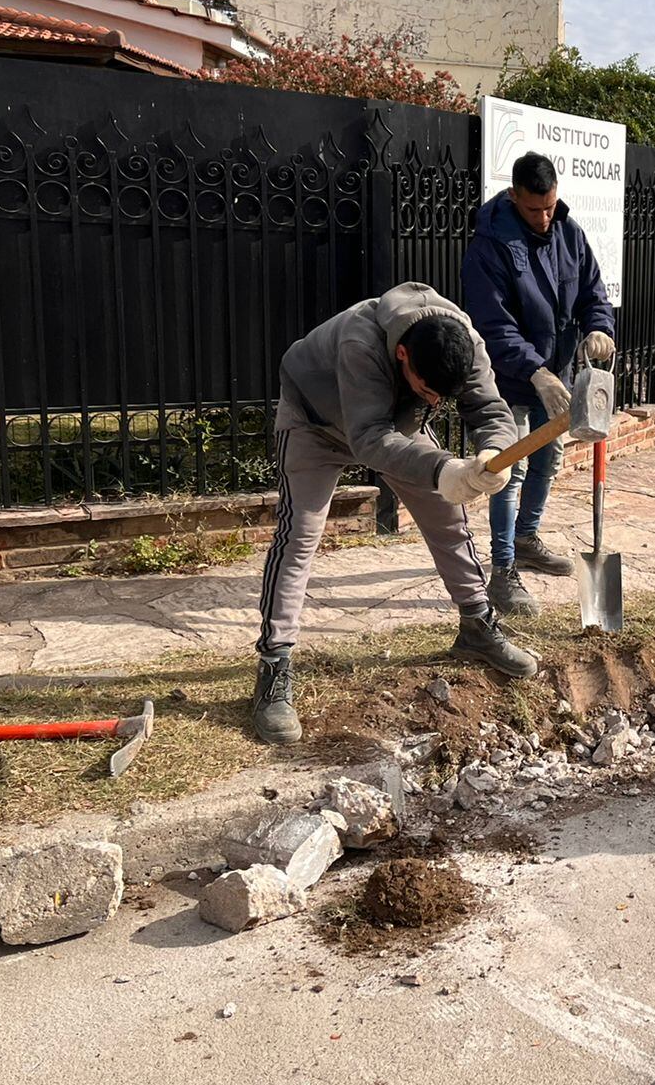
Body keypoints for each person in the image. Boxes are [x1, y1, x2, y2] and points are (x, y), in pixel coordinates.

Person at [251, 282, 537, 745]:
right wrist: (443, 466)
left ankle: (478, 627)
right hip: (315, 423)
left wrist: (492, 452)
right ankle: (273, 667)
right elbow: (367, 439)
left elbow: (489, 410)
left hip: (391, 428)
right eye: (427, 391)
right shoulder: (360, 341)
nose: (435, 404)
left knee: (448, 515)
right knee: (299, 536)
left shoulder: (464, 342)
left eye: (443, 396)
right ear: (403, 355)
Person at [463, 152, 617, 616]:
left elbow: (593, 289)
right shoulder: (488, 245)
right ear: (514, 197)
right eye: (535, 210)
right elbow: (493, 325)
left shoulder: (568, 231)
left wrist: (600, 327)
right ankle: (502, 571)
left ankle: (527, 538)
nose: (545, 217)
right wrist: (535, 371)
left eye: (551, 206)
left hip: (559, 369)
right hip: (510, 376)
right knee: (509, 469)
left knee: (548, 458)